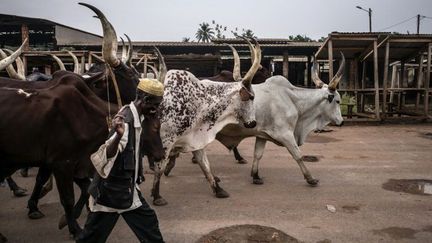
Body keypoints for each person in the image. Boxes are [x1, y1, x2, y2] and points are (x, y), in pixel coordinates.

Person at [76, 76, 165, 243]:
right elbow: (106, 156)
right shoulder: (127, 122)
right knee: (147, 227)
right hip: (114, 191)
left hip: (122, 189)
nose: (157, 109)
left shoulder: (134, 114)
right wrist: (117, 136)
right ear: (145, 99)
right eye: (155, 104)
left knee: (94, 235)